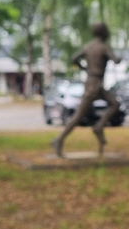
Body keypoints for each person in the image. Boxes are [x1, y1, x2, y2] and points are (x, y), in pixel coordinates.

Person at [50, 22, 121, 158]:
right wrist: (119, 58)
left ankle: (99, 127)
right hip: (95, 84)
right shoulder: (103, 47)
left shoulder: (88, 47)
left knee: (115, 104)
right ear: (103, 32)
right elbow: (115, 60)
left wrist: (85, 69)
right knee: (79, 115)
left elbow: (74, 58)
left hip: (92, 82)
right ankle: (59, 139)